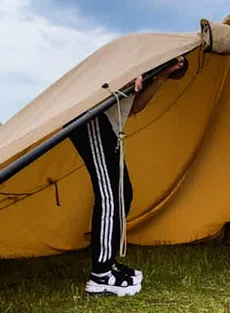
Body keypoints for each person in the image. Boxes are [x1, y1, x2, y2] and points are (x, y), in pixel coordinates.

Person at [68, 56, 187, 297]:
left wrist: (162, 77)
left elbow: (135, 107)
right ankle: (100, 276)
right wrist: (130, 72)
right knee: (110, 195)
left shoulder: (146, 74)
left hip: (108, 126)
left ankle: (109, 263)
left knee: (123, 192)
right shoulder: (132, 61)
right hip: (91, 118)